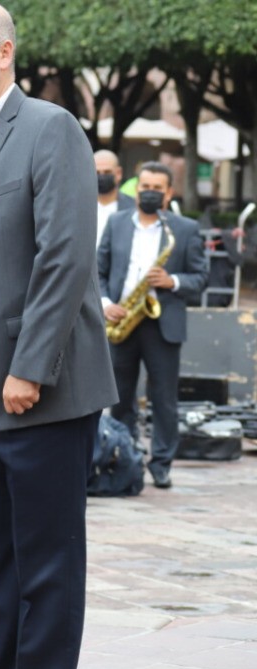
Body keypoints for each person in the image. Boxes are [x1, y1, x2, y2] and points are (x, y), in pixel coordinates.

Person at [0, 3, 118, 669]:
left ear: (4, 53)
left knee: (47, 565)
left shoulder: (49, 127)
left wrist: (29, 367)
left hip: (40, 391)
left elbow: (64, 256)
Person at [99, 162, 207, 489]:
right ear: (136, 188)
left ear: (169, 192)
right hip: (122, 319)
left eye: (157, 188)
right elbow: (98, 270)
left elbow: (200, 277)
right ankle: (125, 454)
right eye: (145, 186)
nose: (149, 192)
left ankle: (161, 463)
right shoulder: (117, 223)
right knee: (120, 398)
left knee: (163, 399)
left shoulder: (185, 229)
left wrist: (173, 280)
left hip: (162, 323)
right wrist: (106, 303)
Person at [94, 149, 136, 246]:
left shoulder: (134, 207)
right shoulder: (78, 207)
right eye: (97, 172)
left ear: (118, 173)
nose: (102, 176)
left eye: (107, 172)